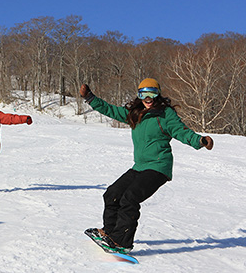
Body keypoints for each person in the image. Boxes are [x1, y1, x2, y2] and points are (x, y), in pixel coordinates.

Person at [80, 78, 214, 253]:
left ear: (158, 95)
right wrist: (90, 97)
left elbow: (181, 131)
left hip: (158, 167)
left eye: (152, 93)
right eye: (144, 94)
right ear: (139, 95)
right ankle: (110, 233)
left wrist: (200, 140)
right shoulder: (136, 113)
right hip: (140, 166)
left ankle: (122, 243)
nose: (148, 98)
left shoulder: (165, 114)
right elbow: (110, 110)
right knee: (112, 194)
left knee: (130, 198)